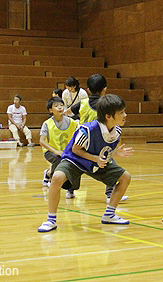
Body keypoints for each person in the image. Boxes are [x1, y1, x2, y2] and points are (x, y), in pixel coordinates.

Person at [38, 94, 134, 232]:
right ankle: (51, 220)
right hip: (75, 159)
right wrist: (95, 159)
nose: (125, 115)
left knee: (125, 177)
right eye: (121, 112)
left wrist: (115, 153)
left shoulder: (117, 131)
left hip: (95, 161)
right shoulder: (88, 130)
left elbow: (105, 152)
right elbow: (76, 150)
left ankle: (109, 215)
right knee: (57, 178)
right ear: (108, 116)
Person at [68, 74, 129, 203]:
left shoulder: (83, 103)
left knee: (76, 163)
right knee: (108, 161)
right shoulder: (108, 106)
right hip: (98, 141)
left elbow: (68, 112)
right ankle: (109, 193)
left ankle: (70, 190)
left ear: (88, 90)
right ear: (104, 89)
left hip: (83, 140)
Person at [40, 97, 79, 189]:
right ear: (50, 110)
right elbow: (41, 141)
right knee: (58, 158)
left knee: (76, 161)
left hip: (66, 151)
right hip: (50, 151)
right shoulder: (47, 123)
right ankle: (51, 178)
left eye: (61, 105)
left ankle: (71, 189)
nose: (60, 107)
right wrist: (55, 151)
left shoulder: (71, 122)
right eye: (56, 106)